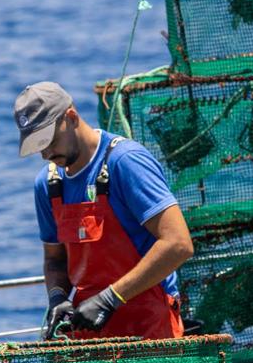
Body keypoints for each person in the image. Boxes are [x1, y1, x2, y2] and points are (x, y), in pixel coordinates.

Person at [14, 81, 193, 341]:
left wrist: (110, 298)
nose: (45, 154)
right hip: (89, 329)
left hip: (149, 327)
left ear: (71, 117)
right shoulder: (48, 184)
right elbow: (55, 259)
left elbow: (178, 244)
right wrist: (58, 298)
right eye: (37, 146)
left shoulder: (125, 162)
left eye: (49, 141)